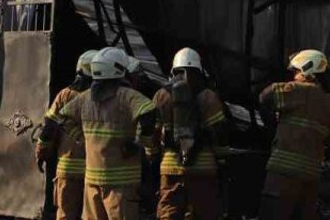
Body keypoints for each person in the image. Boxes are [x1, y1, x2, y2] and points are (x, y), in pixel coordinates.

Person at [55, 47, 159, 220]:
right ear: (118, 70)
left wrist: (81, 138)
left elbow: (62, 117)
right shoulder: (127, 96)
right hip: (121, 185)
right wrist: (139, 142)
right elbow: (149, 111)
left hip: (92, 182)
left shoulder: (85, 98)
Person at [152, 48, 229, 220]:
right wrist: (222, 159)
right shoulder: (208, 96)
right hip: (203, 168)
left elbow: (151, 132)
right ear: (199, 70)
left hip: (170, 167)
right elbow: (220, 133)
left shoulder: (161, 96)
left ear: (173, 70)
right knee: (204, 214)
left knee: (168, 214)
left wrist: (153, 154)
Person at [258, 49, 330, 220]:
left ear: (307, 69)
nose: (294, 76)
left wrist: (271, 122)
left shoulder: (298, 90)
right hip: (311, 174)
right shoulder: (327, 101)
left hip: (284, 173)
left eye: (296, 71)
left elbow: (265, 96)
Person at [37, 50, 98, 220]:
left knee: (66, 215)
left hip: (68, 169)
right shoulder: (103, 99)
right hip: (95, 170)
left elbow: (49, 128)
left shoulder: (65, 95)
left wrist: (41, 152)